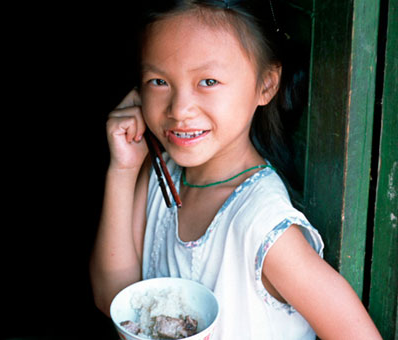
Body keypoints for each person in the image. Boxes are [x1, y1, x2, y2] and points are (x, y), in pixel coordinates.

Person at [90, 1, 382, 338]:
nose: (180, 109)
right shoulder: (159, 174)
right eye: (158, 81)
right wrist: (123, 169)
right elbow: (113, 298)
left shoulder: (262, 227)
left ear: (267, 85)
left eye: (208, 81)